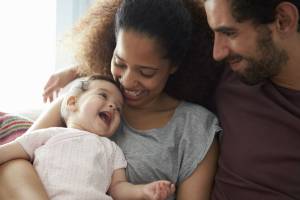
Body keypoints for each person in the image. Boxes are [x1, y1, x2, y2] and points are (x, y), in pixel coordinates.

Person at [0, 0, 223, 199]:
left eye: (146, 73)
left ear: (174, 66)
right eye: (120, 62)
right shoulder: (84, 98)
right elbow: (13, 164)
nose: (126, 81)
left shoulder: (195, 129)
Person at [0, 74, 175, 200]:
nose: (113, 105)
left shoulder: (112, 149)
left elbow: (118, 188)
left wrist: (143, 192)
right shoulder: (50, 134)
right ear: (72, 102)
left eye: (119, 109)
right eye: (103, 95)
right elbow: (12, 150)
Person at [201, 0, 300, 199]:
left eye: (229, 33)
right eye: (214, 33)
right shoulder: (230, 71)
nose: (217, 53)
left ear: (283, 20)